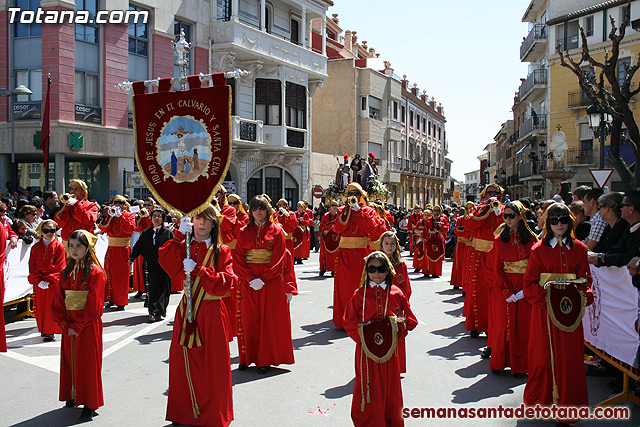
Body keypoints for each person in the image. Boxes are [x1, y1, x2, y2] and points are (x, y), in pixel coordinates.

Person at [158, 204, 235, 426]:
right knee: (184, 362)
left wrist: (200, 270)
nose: (201, 224)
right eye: (197, 219)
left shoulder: (222, 251)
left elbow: (226, 284)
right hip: (187, 311)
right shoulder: (185, 247)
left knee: (213, 365)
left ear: (213, 224)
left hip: (211, 312)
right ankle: (184, 413)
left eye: (206, 219)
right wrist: (177, 236)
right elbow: (167, 263)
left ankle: (213, 414)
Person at [522, 203, 594, 422]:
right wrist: (548, 299)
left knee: (570, 361)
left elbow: (586, 281)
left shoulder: (580, 249)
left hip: (570, 315)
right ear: (548, 223)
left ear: (570, 221)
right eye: (554, 220)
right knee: (543, 359)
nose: (559, 224)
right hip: (544, 315)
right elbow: (529, 283)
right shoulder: (538, 250)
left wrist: (583, 295)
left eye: (563, 220)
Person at [343, 252, 417, 427]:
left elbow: (408, 319)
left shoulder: (396, 293)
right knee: (369, 386)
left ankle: (391, 420)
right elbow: (348, 320)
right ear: (366, 270)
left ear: (388, 270)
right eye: (372, 269)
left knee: (390, 386)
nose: (376, 274)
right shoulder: (359, 294)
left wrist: (397, 330)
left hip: (390, 352)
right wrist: (363, 339)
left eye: (381, 269)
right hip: (365, 353)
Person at [234, 195, 294, 373]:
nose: (258, 211)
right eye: (254, 208)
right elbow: (238, 258)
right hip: (248, 282)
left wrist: (264, 278)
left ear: (267, 210)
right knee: (247, 319)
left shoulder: (276, 231)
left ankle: (264, 359)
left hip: (270, 282)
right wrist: (249, 279)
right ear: (250, 211)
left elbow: (279, 258)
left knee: (267, 321)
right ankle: (247, 357)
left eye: (261, 208)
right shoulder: (244, 231)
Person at [51, 230, 106, 422]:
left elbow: (95, 305)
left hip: (88, 325)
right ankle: (72, 394)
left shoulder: (95, 273)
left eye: (79, 246)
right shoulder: (64, 271)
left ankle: (90, 402)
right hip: (69, 324)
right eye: (71, 246)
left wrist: (79, 325)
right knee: (69, 359)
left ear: (88, 248)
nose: (74, 250)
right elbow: (58, 301)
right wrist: (65, 324)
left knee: (88, 363)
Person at [490, 202, 537, 378]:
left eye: (512, 216)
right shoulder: (499, 240)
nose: (508, 220)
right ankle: (500, 362)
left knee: (523, 327)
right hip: (507, 286)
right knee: (503, 324)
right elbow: (497, 268)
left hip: (525, 286)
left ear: (520, 217)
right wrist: (506, 291)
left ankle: (520, 365)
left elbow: (534, 267)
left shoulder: (532, 239)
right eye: (506, 216)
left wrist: (527, 289)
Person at [332, 183, 386, 329]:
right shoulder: (342, 210)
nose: (353, 196)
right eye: (350, 194)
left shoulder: (368, 210)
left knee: (362, 285)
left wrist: (359, 211)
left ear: (361, 195)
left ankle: (362, 317)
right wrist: (348, 212)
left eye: (356, 193)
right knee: (344, 288)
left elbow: (372, 228)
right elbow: (337, 229)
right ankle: (345, 319)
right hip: (344, 254)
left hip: (362, 254)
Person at [463, 184, 504, 339]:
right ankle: (476, 324)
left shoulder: (504, 209)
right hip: (480, 254)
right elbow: (469, 224)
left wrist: (497, 211)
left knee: (495, 290)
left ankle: (492, 325)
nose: (493, 195)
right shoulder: (478, 209)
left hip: (498, 255)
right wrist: (485, 210)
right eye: (490, 193)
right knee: (477, 289)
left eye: (496, 192)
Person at [128, 209, 174, 322]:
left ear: (163, 219)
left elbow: (174, 249)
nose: (156, 218)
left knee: (163, 288)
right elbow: (138, 246)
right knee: (152, 288)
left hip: (164, 265)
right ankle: (153, 311)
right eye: (154, 216)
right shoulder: (146, 233)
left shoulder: (168, 233)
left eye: (159, 216)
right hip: (150, 263)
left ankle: (160, 310)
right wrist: (131, 257)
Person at [378, 231, 412, 374]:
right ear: (381, 245)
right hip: (379, 305)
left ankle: (396, 366)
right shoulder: (376, 262)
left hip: (396, 307)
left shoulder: (401, 264)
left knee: (397, 333)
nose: (389, 247)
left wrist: (402, 302)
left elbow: (406, 287)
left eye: (392, 244)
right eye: (386, 243)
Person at [28, 219, 65, 341]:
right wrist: (38, 280)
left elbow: (61, 266)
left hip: (52, 282)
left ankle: (50, 331)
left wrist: (50, 280)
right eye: (46, 230)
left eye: (52, 230)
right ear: (41, 231)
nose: (49, 233)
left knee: (51, 307)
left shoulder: (59, 246)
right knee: (40, 307)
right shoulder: (36, 247)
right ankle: (43, 329)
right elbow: (32, 265)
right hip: (39, 281)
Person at [99, 195, 135, 310]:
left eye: (120, 203)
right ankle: (110, 298)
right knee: (109, 274)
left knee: (121, 276)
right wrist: (110, 217)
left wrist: (121, 217)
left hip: (123, 249)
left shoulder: (129, 215)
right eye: (116, 202)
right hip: (111, 248)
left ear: (125, 205)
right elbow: (103, 228)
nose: (118, 205)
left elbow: (130, 228)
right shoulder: (111, 215)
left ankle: (120, 301)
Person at [55, 179, 99, 253]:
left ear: (83, 192)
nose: (72, 192)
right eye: (71, 189)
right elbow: (59, 224)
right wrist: (65, 208)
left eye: (76, 189)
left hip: (82, 243)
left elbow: (89, 220)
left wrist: (77, 205)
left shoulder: (91, 205)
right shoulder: (66, 206)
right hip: (66, 243)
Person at [0, 204, 18, 352]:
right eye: (1, 211)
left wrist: (13, 236)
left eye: (5, 211)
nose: (4, 214)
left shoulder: (4, 223)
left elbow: (12, 232)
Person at [132, 198, 154, 300]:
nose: (146, 207)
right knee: (139, 266)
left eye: (149, 205)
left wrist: (148, 217)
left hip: (151, 243)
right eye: (144, 205)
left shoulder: (155, 215)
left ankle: (149, 289)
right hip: (142, 242)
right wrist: (140, 218)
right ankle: (140, 289)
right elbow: (136, 228)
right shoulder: (141, 215)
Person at [421, 205, 449, 278]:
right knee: (428, 254)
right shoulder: (429, 219)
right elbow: (425, 229)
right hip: (430, 238)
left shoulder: (443, 219)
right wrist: (423, 236)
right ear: (433, 212)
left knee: (437, 255)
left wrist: (441, 227)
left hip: (438, 238)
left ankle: (435, 272)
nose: (436, 212)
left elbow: (446, 228)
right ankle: (427, 271)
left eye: (438, 211)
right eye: (435, 210)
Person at [318, 200, 339, 277]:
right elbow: (321, 226)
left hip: (335, 239)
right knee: (324, 255)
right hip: (326, 238)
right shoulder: (326, 215)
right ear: (330, 207)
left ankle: (334, 270)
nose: (334, 207)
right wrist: (319, 235)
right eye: (333, 206)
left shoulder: (339, 215)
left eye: (336, 206)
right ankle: (322, 269)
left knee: (335, 255)